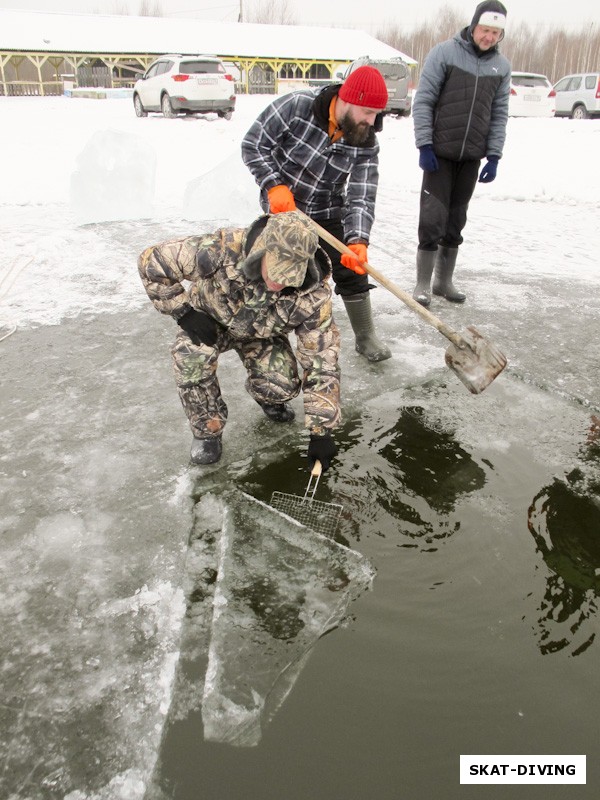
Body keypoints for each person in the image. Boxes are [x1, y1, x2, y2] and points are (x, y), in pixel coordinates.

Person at [138, 211, 340, 467]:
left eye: (290, 275)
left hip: (262, 334)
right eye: (276, 271)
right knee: (190, 358)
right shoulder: (222, 248)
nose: (279, 283)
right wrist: (184, 312)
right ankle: (207, 431)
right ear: (262, 250)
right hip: (209, 323)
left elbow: (322, 361)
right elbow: (152, 262)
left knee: (282, 385)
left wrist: (321, 432)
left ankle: (267, 398)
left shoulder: (314, 296)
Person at [241, 65, 392, 363]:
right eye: (366, 112)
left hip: (326, 208)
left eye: (376, 114)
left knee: (353, 267)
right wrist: (274, 186)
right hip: (284, 207)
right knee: (287, 272)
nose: (371, 121)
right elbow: (254, 145)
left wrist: (358, 239)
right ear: (347, 100)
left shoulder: (365, 139)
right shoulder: (297, 107)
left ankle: (365, 335)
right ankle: (271, 338)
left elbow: (361, 194)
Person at [411, 1, 511, 307]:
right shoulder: (445, 53)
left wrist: (493, 155)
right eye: (485, 30)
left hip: (471, 156)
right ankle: (423, 283)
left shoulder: (501, 67)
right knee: (433, 218)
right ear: (474, 26)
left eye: (496, 32)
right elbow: (424, 100)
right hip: (439, 154)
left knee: (456, 220)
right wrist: (425, 145)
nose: (489, 37)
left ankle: (444, 281)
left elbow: (499, 114)